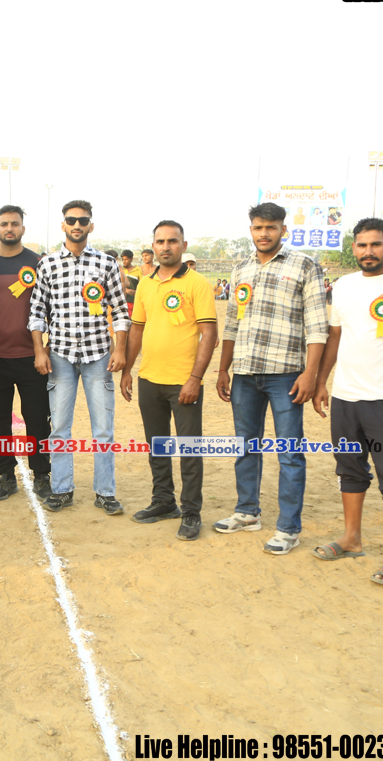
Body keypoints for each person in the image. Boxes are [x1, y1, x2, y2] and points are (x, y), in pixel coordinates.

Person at [311, 218, 383, 586]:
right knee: (349, 469)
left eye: (376, 245)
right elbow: (335, 337)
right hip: (346, 397)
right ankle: (351, 538)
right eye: (362, 245)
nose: (368, 252)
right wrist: (322, 382)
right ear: (354, 248)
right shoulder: (343, 286)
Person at [215, 202, 328, 554]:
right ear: (251, 229)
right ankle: (247, 512)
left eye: (271, 227)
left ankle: (288, 529)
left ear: (283, 229)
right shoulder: (241, 269)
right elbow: (232, 322)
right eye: (258, 227)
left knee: (290, 452)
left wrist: (310, 374)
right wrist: (223, 368)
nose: (263, 233)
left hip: (286, 374)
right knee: (245, 446)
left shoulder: (304, 265)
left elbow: (317, 324)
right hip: (245, 372)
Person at [29, 199, 129, 515]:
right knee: (59, 426)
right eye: (71, 220)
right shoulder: (47, 265)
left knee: (103, 428)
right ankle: (62, 489)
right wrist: (39, 350)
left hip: (99, 354)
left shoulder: (106, 263)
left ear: (91, 225)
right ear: (63, 224)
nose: (77, 225)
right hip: (59, 355)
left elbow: (121, 310)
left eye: (82, 220)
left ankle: (105, 492)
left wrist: (120, 348)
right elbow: (37, 312)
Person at [121, 220, 217, 540]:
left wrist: (195, 378)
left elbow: (209, 334)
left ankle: (191, 511)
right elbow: (137, 329)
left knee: (189, 449)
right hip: (150, 378)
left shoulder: (198, 283)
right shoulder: (145, 284)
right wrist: (128, 370)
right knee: (157, 446)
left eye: (172, 241)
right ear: (153, 246)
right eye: (160, 241)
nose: (166, 247)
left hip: (184, 381)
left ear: (183, 246)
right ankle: (164, 501)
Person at [0, 205, 52, 501]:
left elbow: (53, 307)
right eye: (4, 224)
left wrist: (47, 348)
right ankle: (6, 475)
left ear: (23, 228)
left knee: (37, 420)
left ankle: (42, 475)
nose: (10, 228)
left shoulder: (38, 264)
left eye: (15, 223)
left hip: (32, 359)